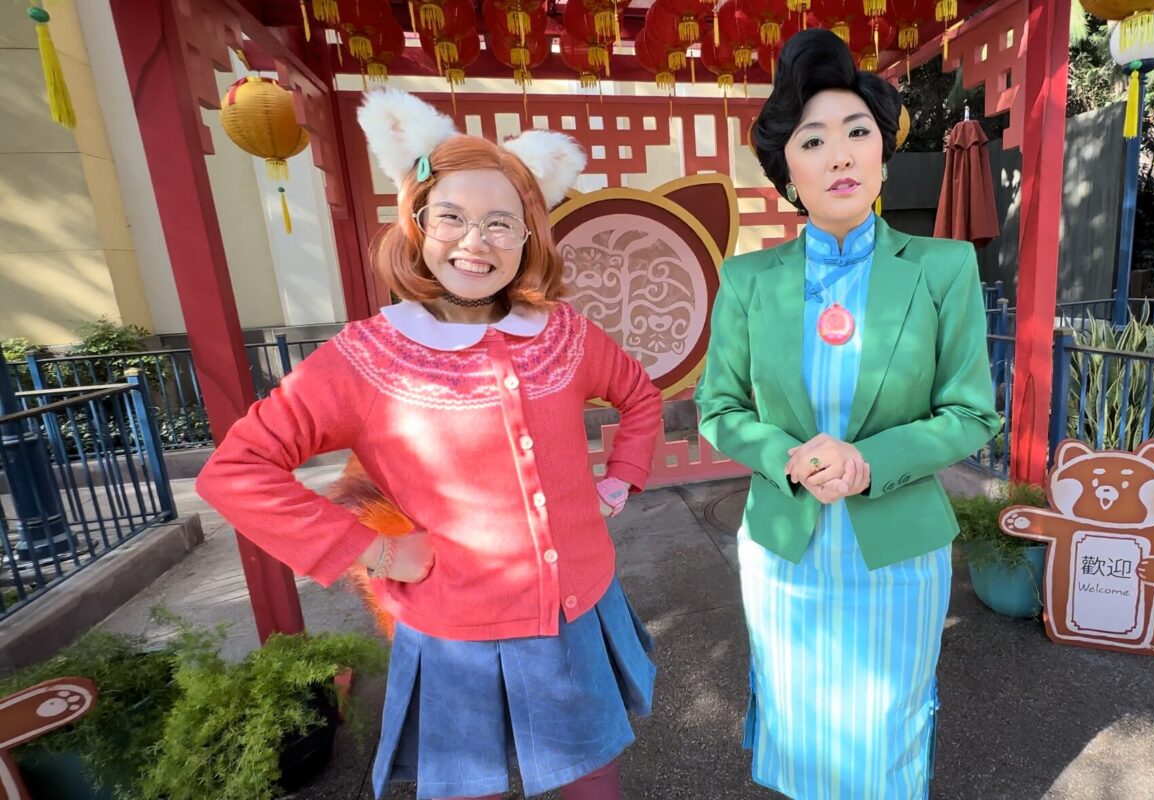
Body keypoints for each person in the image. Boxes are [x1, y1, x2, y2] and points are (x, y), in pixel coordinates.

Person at [195, 88, 663, 800]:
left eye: (501, 222)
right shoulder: (363, 357)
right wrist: (376, 551)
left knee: (589, 772)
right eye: (451, 217)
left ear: (529, 237)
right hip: (452, 627)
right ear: (416, 223)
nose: (476, 241)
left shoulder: (564, 334)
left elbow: (640, 397)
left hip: (575, 607)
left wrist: (616, 481)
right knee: (465, 786)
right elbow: (237, 470)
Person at [694, 28, 1003, 799]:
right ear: (787, 172)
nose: (839, 155)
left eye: (857, 133)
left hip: (896, 551)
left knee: (885, 723)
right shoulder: (747, 280)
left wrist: (871, 461)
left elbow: (970, 413)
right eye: (813, 140)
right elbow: (718, 408)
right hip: (785, 550)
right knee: (797, 716)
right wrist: (786, 455)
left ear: (882, 153)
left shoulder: (942, 267)